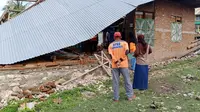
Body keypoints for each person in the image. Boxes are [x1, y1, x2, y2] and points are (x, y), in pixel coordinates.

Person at [108, 32, 136, 102]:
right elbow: (126, 52)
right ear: (120, 37)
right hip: (124, 64)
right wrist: (121, 60)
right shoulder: (124, 43)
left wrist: (116, 61)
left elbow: (110, 55)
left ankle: (116, 98)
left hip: (115, 65)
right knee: (127, 80)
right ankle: (130, 96)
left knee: (115, 82)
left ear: (114, 37)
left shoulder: (111, 45)